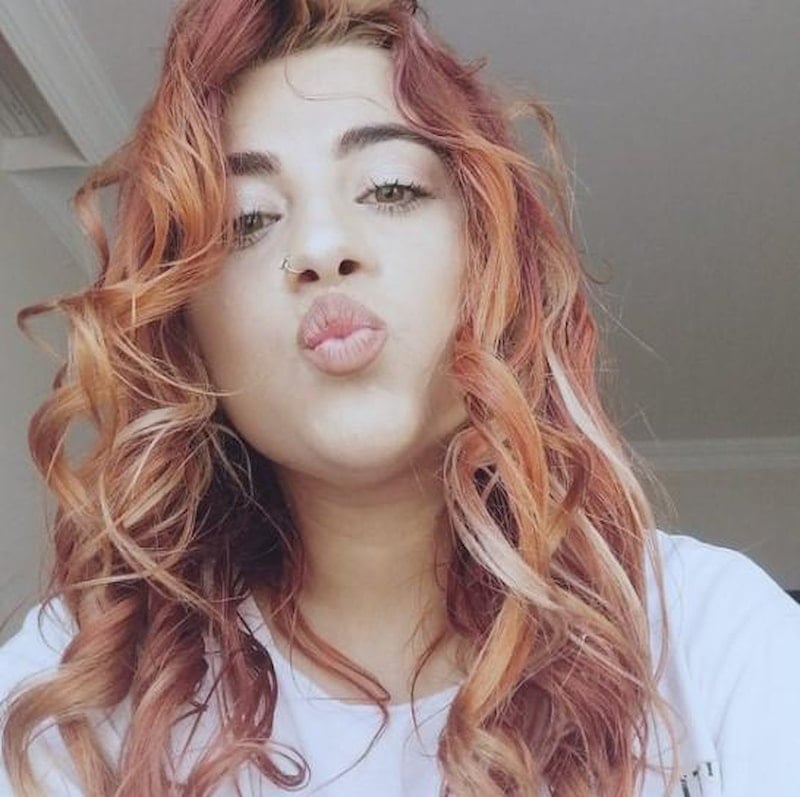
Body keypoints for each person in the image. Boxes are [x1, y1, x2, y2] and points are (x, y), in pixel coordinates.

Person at [1, 1, 799, 795]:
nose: (320, 247)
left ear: (491, 262)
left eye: (389, 188)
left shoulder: (710, 634)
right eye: (246, 221)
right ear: (189, 333)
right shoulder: (77, 682)